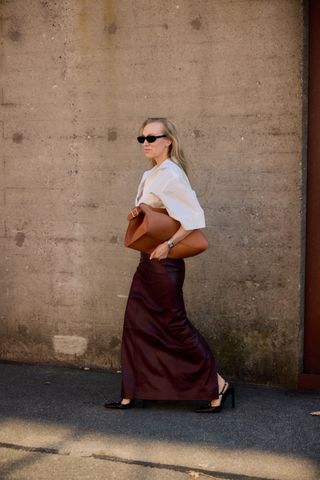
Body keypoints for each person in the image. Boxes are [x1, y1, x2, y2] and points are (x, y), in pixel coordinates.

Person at [105, 118, 235, 413]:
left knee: (173, 324)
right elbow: (160, 214)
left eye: (153, 137)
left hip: (165, 264)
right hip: (148, 261)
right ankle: (133, 391)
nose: (146, 143)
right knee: (139, 324)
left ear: (169, 140)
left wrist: (169, 245)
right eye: (142, 139)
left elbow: (193, 219)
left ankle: (217, 383)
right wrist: (142, 211)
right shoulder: (151, 174)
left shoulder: (172, 174)